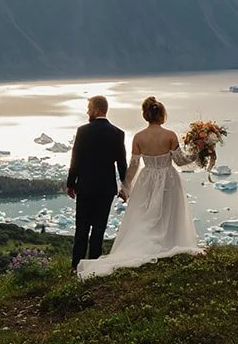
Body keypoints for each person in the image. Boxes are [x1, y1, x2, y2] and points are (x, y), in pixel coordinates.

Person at [75, 96, 201, 279]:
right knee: (167, 212)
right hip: (168, 179)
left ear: (145, 115)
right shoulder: (170, 135)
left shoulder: (139, 137)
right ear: (162, 115)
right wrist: (198, 152)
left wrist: (125, 188)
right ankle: (167, 244)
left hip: (147, 179)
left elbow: (133, 167)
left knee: (146, 215)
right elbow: (181, 161)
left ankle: (145, 245)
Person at [66, 95, 127, 273]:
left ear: (98, 109)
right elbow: (121, 164)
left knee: (82, 228)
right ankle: (93, 267)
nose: (87, 111)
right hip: (106, 189)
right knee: (99, 229)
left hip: (85, 187)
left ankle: (76, 266)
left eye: (89, 108)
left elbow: (75, 160)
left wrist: (71, 183)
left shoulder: (83, 131)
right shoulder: (118, 133)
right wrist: (126, 186)